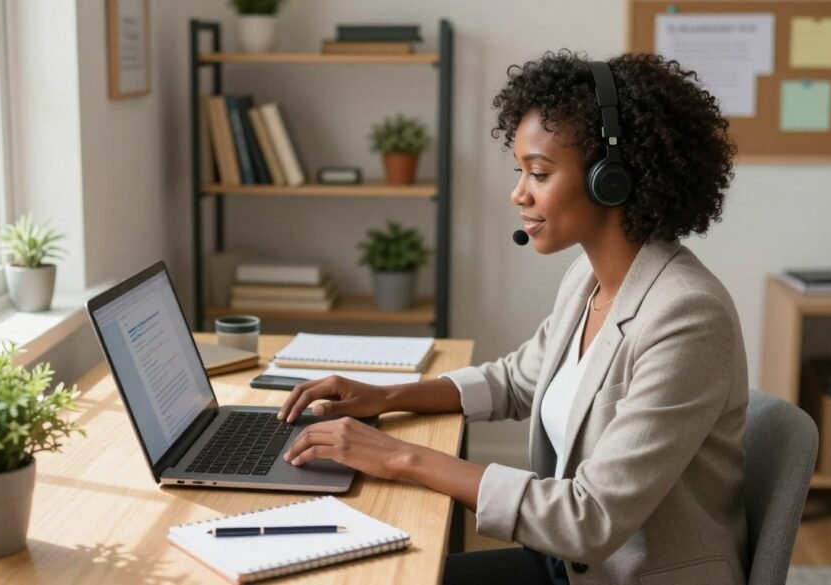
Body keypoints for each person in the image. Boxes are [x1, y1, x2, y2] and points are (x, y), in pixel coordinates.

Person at [277, 50, 747, 585]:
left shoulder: (686, 315)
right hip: (569, 566)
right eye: (520, 170)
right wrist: (387, 396)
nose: (518, 192)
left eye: (539, 173)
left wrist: (399, 457)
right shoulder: (587, 278)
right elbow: (516, 380)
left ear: (610, 179)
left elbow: (588, 519)